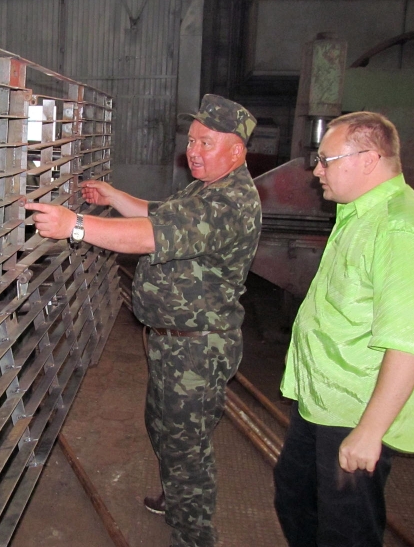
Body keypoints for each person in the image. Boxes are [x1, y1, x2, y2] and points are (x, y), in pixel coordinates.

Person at [25, 94, 262, 547]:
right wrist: (116, 197)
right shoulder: (204, 188)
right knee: (164, 426)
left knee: (186, 446)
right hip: (174, 342)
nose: (193, 150)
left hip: (197, 347)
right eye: (191, 140)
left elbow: (151, 235)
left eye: (206, 143)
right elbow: (159, 213)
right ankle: (177, 498)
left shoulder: (230, 202)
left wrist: (75, 225)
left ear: (237, 150)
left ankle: (193, 535)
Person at [273, 111, 414, 547]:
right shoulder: (358, 213)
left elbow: (407, 341)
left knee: (345, 530)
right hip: (321, 400)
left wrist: (370, 431)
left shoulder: (401, 226)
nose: (317, 171)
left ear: (368, 159)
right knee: (294, 497)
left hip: (354, 410)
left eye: (326, 160)